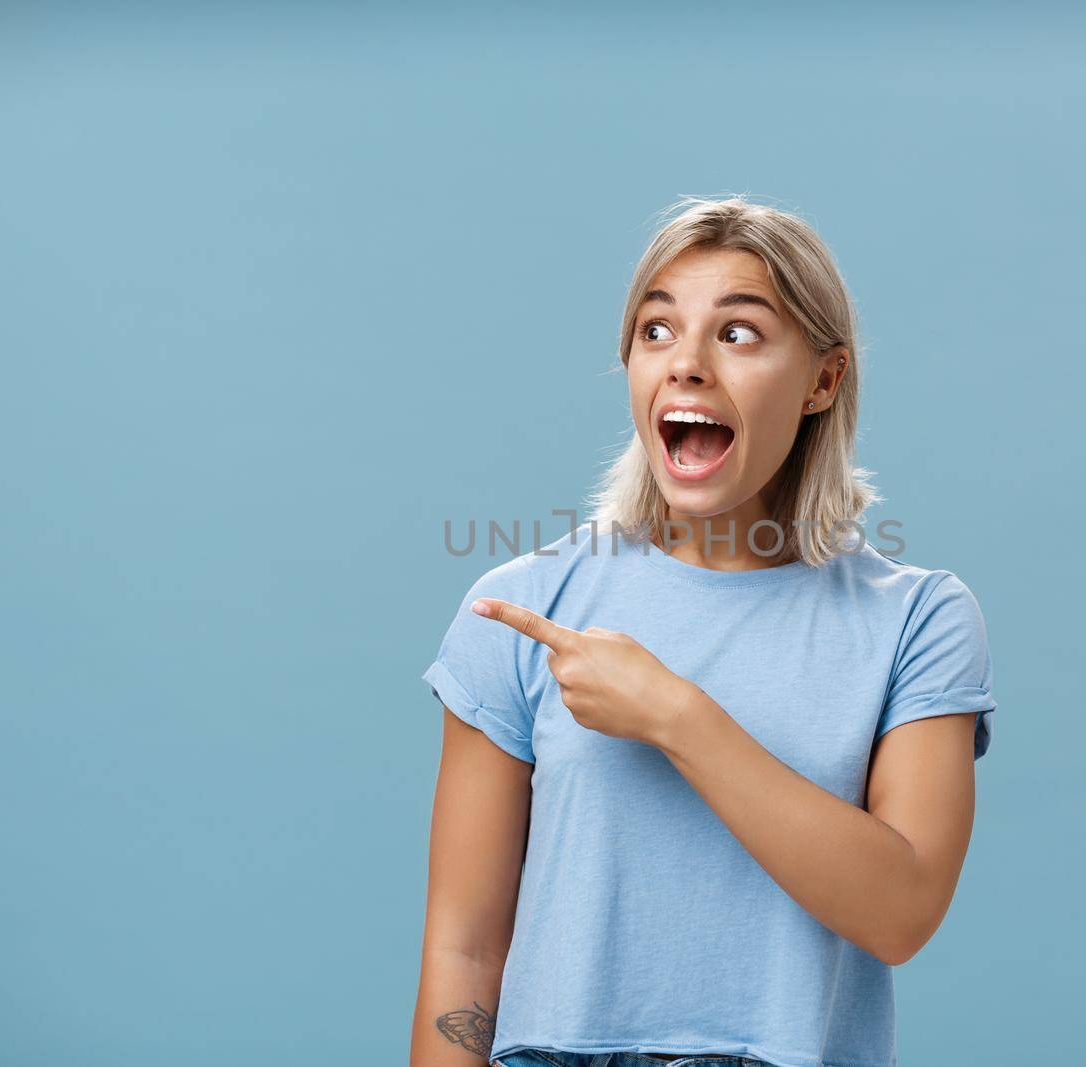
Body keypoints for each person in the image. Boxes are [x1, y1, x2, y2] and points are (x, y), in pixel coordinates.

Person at [411, 196, 998, 1067]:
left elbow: (900, 910)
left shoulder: (917, 619)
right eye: (656, 330)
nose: (685, 363)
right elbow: (463, 948)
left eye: (738, 333)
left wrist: (675, 716)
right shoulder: (522, 608)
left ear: (823, 381)